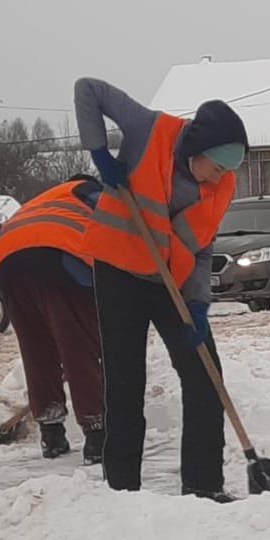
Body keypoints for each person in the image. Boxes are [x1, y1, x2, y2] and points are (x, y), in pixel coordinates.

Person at [73, 78, 248, 498]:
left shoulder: (220, 186)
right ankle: (121, 489)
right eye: (217, 166)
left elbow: (202, 249)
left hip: (169, 282)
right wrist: (99, 151)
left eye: (227, 170)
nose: (220, 177)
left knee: (206, 374)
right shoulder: (148, 129)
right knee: (125, 380)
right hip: (118, 272)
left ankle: (205, 486)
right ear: (197, 149)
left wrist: (200, 304)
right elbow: (87, 90)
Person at [0, 176, 105, 461]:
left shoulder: (46, 198)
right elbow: (117, 232)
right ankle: (97, 435)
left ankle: (51, 434)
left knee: (37, 350)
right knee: (78, 348)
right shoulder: (89, 191)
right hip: (57, 256)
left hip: (8, 260)